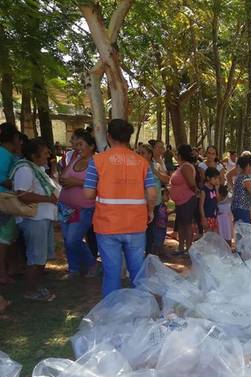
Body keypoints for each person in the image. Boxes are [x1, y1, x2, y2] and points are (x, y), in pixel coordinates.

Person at [83, 119, 157, 298]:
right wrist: (151, 210)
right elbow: (152, 194)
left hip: (107, 225)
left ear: (109, 136)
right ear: (129, 137)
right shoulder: (142, 162)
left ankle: (111, 313)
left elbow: (88, 194)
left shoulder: (97, 161)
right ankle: (142, 310)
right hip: (136, 225)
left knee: (112, 273)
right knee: (138, 273)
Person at [11, 138, 59, 301]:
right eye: (45, 153)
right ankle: (31, 290)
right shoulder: (25, 170)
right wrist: (48, 199)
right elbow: (22, 195)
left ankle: (36, 286)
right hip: (34, 220)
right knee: (36, 256)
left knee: (42, 256)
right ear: (33, 155)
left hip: (43, 218)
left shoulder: (36, 168)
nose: (48, 156)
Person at [58, 129, 98, 279]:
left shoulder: (96, 163)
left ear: (91, 146)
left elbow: (98, 185)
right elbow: (63, 176)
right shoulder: (74, 158)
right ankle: (73, 269)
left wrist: (76, 182)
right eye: (76, 144)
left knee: (72, 240)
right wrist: (64, 179)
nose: (77, 147)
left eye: (81, 144)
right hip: (64, 207)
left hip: (83, 209)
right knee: (67, 240)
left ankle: (92, 263)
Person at [0, 123, 21, 285]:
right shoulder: (5, 155)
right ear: (14, 138)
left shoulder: (8, 154)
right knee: (4, 238)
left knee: (9, 237)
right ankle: (2, 273)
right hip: (5, 201)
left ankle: (13, 267)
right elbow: (4, 179)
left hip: (7, 200)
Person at [169, 144, 198, 256]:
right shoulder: (182, 166)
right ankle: (181, 247)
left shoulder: (186, 167)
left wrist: (195, 191)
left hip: (187, 200)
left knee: (187, 225)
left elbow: (191, 183)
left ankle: (189, 249)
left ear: (180, 154)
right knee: (181, 224)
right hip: (181, 201)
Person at [199, 167, 220, 233]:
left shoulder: (214, 188)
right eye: (215, 178)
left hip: (214, 216)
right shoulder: (204, 190)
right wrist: (203, 218)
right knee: (208, 236)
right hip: (207, 216)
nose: (217, 180)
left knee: (215, 235)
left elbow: (218, 200)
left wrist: (216, 189)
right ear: (208, 178)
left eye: (217, 178)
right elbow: (201, 205)